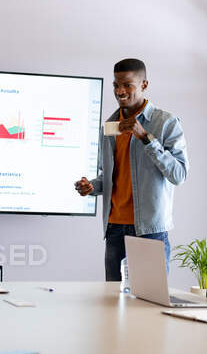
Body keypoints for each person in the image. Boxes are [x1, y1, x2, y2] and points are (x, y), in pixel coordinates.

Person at [75, 59, 188, 281]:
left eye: (128, 85)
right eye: (116, 85)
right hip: (114, 229)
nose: (120, 91)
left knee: (150, 306)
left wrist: (146, 138)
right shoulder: (110, 125)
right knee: (113, 304)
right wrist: (92, 186)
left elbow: (179, 175)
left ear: (144, 85)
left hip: (149, 231)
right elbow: (110, 177)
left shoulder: (165, 123)